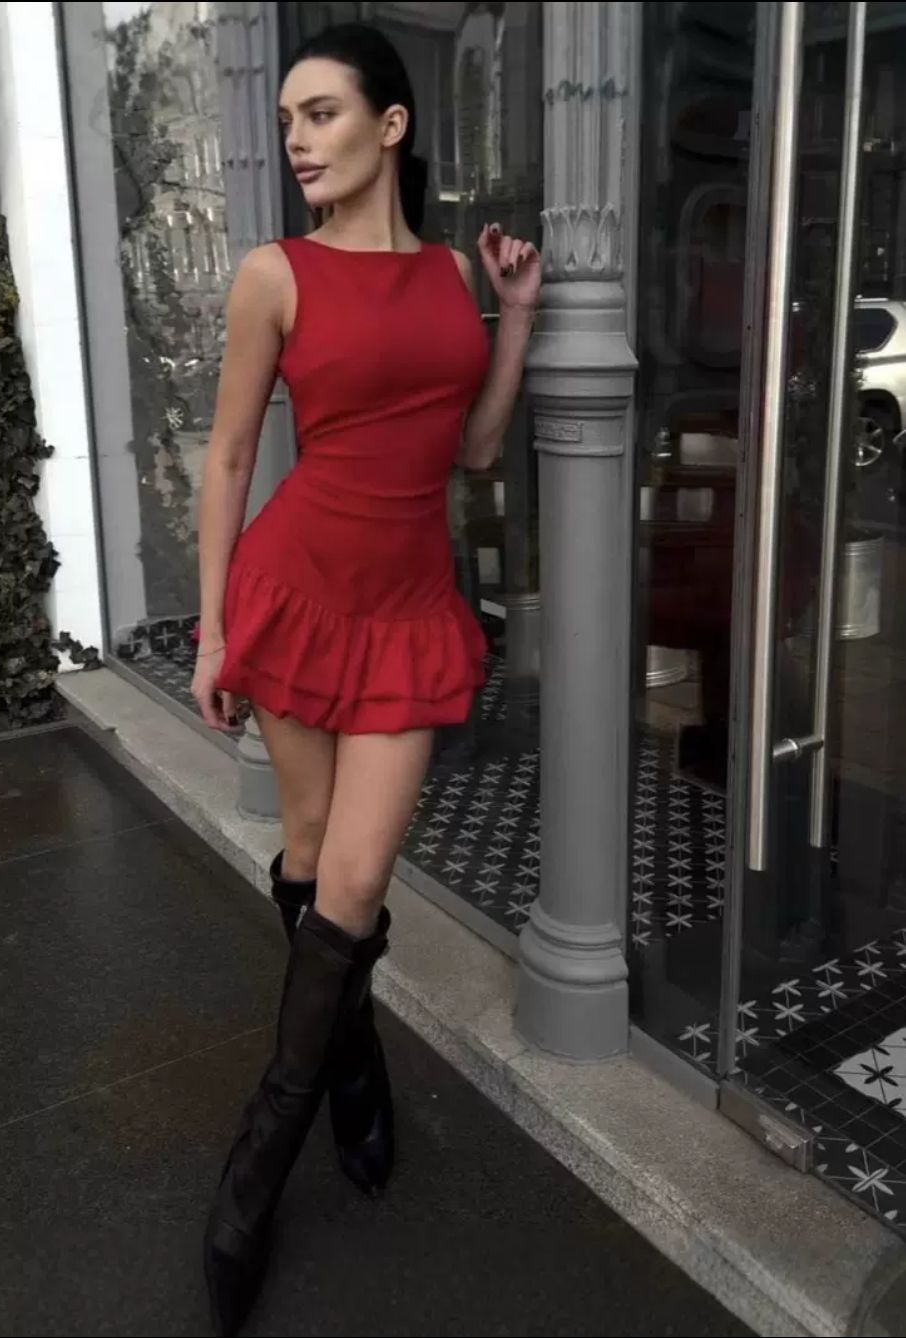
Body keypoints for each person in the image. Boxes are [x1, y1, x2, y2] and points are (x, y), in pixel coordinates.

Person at [191, 21, 540, 1334]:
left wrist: (515, 320)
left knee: (349, 883)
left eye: (322, 113)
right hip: (294, 596)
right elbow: (231, 456)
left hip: (402, 614)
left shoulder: (450, 273)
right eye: (287, 119)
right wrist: (215, 630)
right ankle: (352, 1066)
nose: (297, 139)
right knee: (305, 852)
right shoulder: (271, 276)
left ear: (391, 125)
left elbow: (474, 448)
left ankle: (253, 1171)